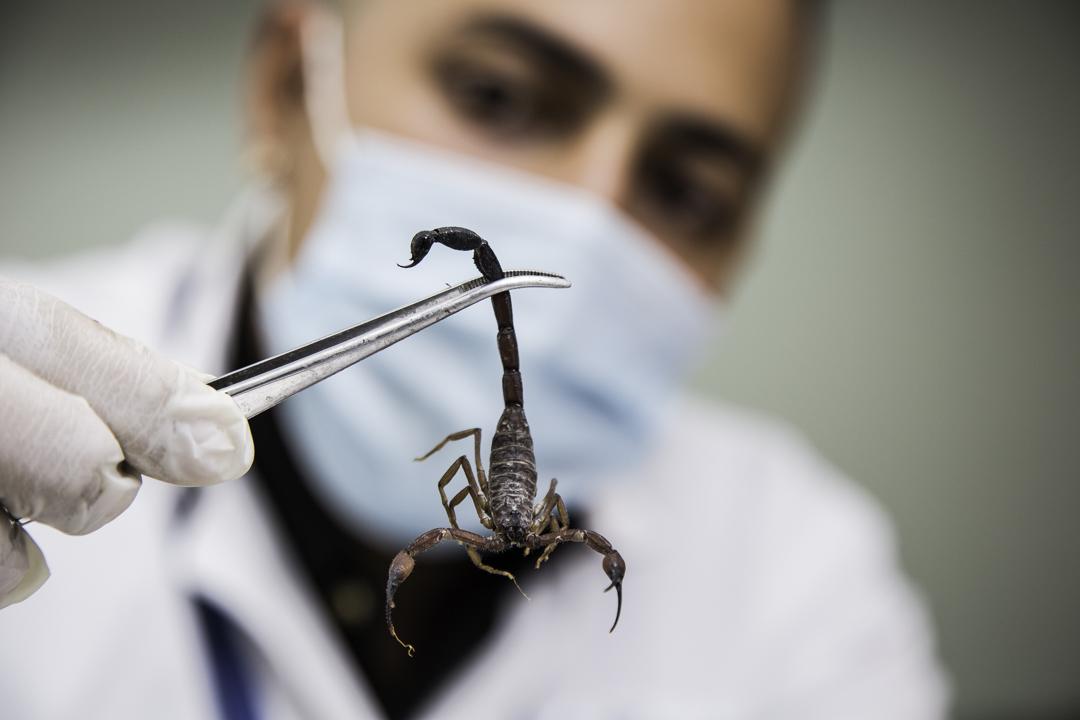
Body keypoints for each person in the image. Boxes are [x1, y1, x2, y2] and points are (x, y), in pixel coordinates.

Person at [0, 1, 948, 718]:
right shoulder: (20, 385)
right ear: (286, 86)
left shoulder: (798, 576)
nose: (591, 223)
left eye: (688, 192)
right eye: (498, 97)